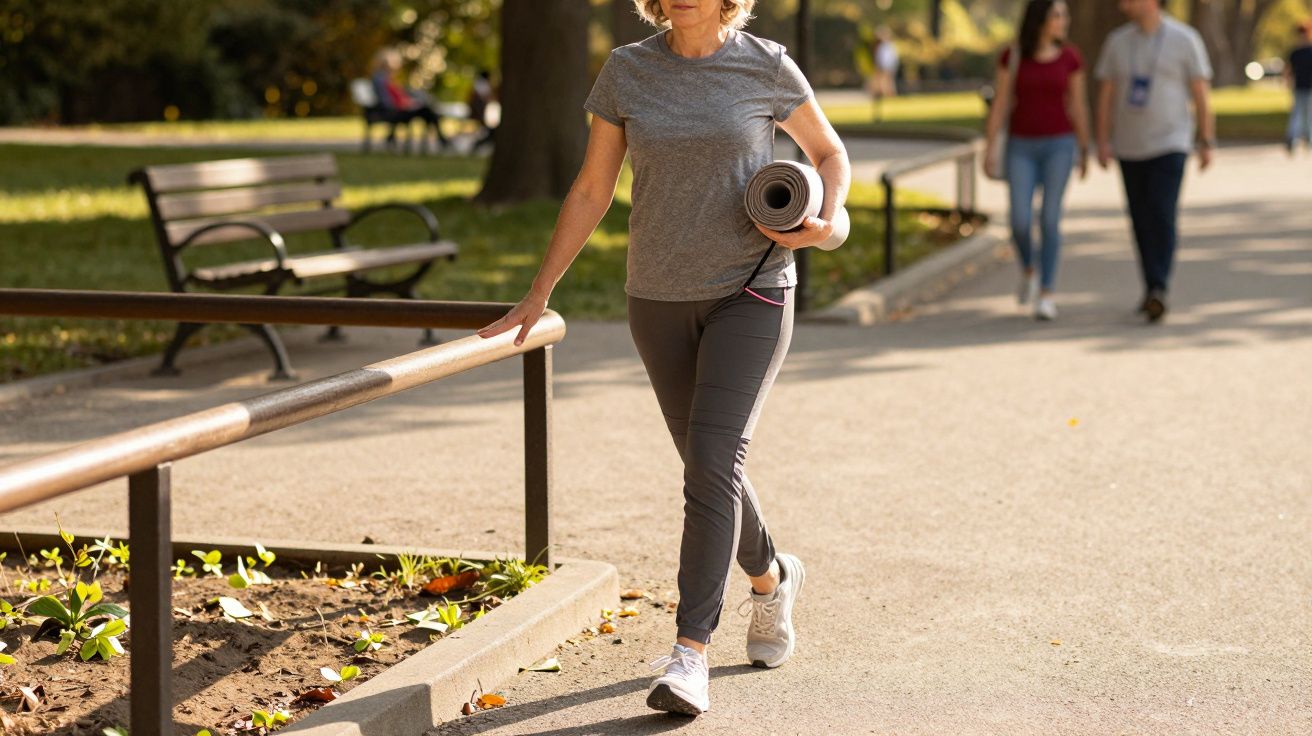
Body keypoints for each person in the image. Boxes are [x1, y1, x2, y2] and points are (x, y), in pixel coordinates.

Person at [477, 0, 849, 717]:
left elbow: (829, 152)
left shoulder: (765, 64)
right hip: (657, 297)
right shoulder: (628, 70)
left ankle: (689, 655)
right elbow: (592, 187)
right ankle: (772, 577)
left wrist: (827, 219)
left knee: (712, 462)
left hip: (756, 286)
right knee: (708, 464)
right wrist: (537, 291)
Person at [1095, 0, 1214, 323]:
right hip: (1130, 145)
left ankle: (1159, 287)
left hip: (1171, 142)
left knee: (1162, 212)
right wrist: (1103, 140)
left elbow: (1201, 92)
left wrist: (1206, 139)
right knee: (1140, 218)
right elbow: (1106, 94)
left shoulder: (1184, 38)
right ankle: (1151, 285)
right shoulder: (1117, 42)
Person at [983, 0, 1089, 321]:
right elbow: (1000, 104)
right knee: (1019, 219)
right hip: (1021, 147)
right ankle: (1029, 268)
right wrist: (989, 148)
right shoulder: (1012, 56)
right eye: (1058, 15)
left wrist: (1084, 148)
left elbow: (1078, 105)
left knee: (1050, 219)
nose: (1064, 20)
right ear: (1041, 18)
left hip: (1059, 144)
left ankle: (1046, 292)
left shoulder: (1071, 57)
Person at [370, 48, 450, 152]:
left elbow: (399, 96)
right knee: (427, 110)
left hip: (400, 109)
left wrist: (409, 103)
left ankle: (440, 136)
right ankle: (441, 137)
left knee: (426, 109)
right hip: (394, 111)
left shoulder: (388, 78)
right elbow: (387, 101)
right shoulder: (380, 78)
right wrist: (404, 105)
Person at [1285, 22, 1312, 155]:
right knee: (1296, 113)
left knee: (1308, 114)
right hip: (1299, 87)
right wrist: (1288, 82)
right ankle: (1292, 138)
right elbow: (1288, 70)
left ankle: (1308, 138)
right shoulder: (1295, 52)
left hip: (1309, 87)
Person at [870, 27, 899, 121]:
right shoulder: (883, 47)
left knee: (885, 87)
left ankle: (888, 105)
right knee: (881, 88)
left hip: (884, 69)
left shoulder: (886, 47)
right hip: (883, 69)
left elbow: (888, 59)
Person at [466, 69, 497, 152]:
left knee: (490, 130)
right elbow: (488, 97)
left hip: (482, 113)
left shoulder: (477, 84)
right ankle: (478, 145)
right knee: (491, 130)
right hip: (481, 113)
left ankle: (479, 145)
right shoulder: (482, 85)